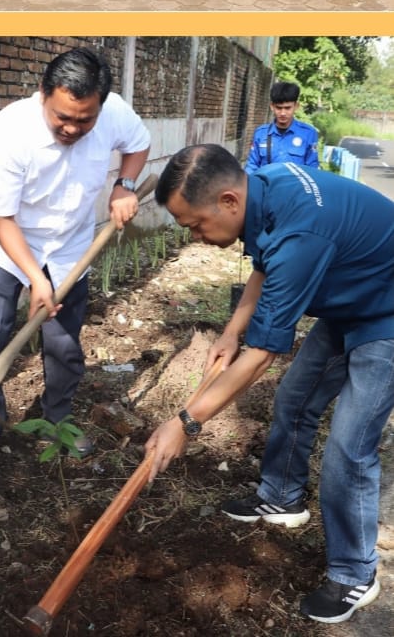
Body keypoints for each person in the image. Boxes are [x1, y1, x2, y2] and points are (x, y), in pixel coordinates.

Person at [146, 145, 394, 625]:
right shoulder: (266, 183)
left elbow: (263, 355)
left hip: (387, 311)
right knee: (296, 396)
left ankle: (355, 573)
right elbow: (263, 266)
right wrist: (231, 331)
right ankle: (281, 495)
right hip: (353, 296)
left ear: (228, 202)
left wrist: (185, 423)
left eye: (195, 224)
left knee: (349, 445)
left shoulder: (301, 234)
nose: (196, 236)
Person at [0, 47, 150, 480]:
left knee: (64, 343)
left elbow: (138, 145)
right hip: (5, 247)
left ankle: (57, 422)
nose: (72, 127)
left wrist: (124, 185)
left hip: (69, 247)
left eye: (84, 120)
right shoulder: (4, 135)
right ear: (42, 93)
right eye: (62, 117)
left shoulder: (113, 113)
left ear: (100, 106)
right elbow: (1, 218)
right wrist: (33, 278)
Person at [245, 81, 319, 174]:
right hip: (267, 186)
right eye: (279, 108)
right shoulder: (261, 133)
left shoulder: (308, 133)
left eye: (287, 108)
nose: (283, 113)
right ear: (272, 106)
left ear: (296, 106)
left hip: (295, 187)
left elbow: (312, 168)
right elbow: (252, 166)